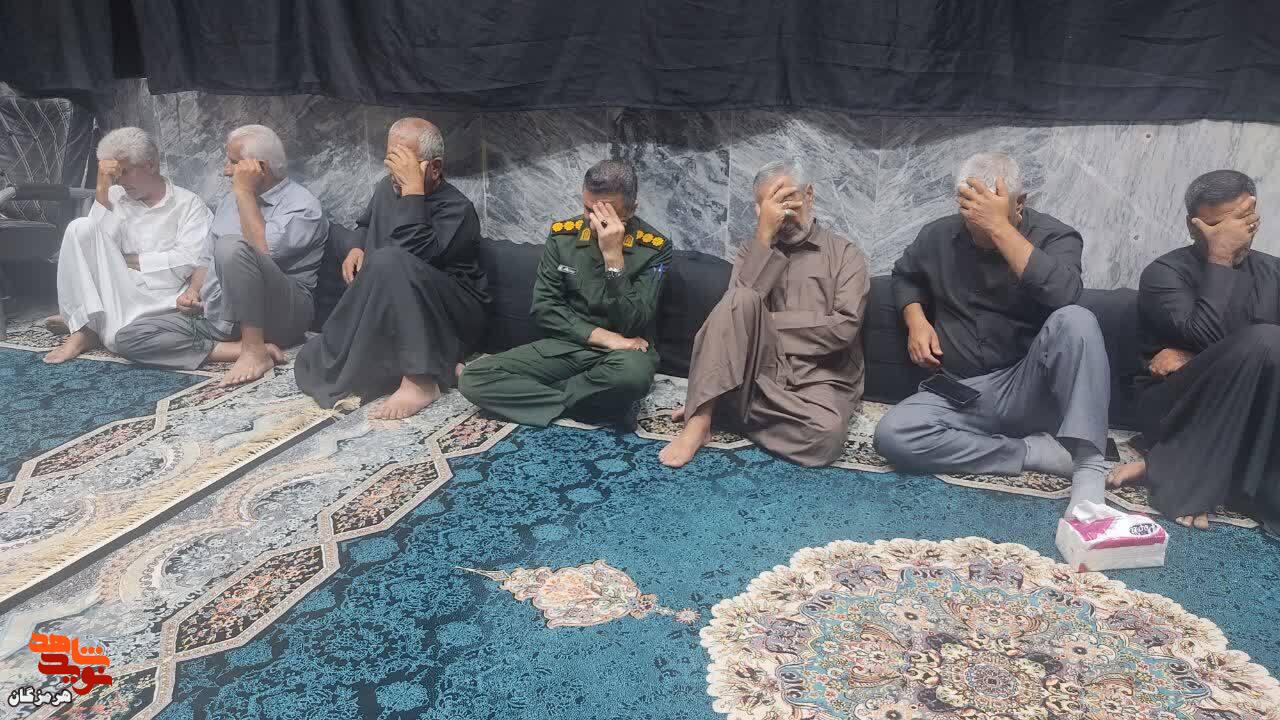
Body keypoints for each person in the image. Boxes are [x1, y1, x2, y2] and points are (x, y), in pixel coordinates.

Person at [872, 152, 1111, 516]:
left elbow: (1065, 295)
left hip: (1029, 387)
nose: (979, 232)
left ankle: (1089, 469)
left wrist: (1000, 229)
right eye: (972, 218)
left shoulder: (1055, 235)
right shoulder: (938, 235)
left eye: (988, 218)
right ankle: (1034, 452)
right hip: (961, 391)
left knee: (1077, 319)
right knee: (894, 435)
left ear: (1020, 203)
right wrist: (916, 320)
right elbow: (906, 276)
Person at [659, 158, 869, 468]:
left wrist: (764, 324)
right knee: (741, 298)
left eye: (788, 198)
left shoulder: (846, 255)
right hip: (760, 372)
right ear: (760, 210)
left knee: (824, 437)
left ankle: (725, 410)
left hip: (821, 377)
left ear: (809, 195)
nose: (784, 212)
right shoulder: (751, 251)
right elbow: (734, 313)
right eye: (772, 203)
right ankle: (700, 420)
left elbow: (842, 329)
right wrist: (764, 239)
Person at [1109, 170, 1279, 532]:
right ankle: (1180, 472)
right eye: (1216, 226)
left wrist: (1193, 358)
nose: (1228, 234)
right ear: (1192, 225)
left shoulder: (1273, 273)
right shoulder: (1164, 273)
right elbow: (1207, 334)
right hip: (1174, 403)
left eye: (1240, 222)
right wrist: (1220, 256)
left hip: (1249, 408)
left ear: (1254, 220)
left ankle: (1164, 465)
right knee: (1265, 339)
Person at [294, 118, 488, 419]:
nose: (395, 173)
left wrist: (413, 193)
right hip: (398, 311)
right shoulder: (387, 188)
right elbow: (365, 224)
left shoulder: (457, 209)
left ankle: (421, 380)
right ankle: (442, 364)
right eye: (391, 161)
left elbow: (413, 257)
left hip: (451, 313)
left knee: (390, 260)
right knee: (314, 358)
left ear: (434, 167)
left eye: (405, 164)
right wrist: (356, 247)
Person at [458, 159, 671, 426]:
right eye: (589, 209)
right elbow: (545, 308)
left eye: (607, 212)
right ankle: (591, 401)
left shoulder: (655, 248)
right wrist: (605, 338)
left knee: (632, 378)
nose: (595, 221)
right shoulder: (563, 236)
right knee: (474, 378)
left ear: (632, 208)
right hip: (568, 346)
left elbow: (634, 321)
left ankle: (543, 397)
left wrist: (614, 258)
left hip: (626, 352)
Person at [116, 125, 328, 386]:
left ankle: (254, 349)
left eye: (233, 162)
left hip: (280, 317)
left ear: (259, 167)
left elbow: (262, 251)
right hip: (222, 315)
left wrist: (244, 193)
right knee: (129, 337)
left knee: (231, 246)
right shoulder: (230, 201)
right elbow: (207, 258)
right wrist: (193, 291)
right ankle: (238, 349)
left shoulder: (302, 206)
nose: (226, 170)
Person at [43, 127, 211, 363]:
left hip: (160, 296)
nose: (119, 181)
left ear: (150, 165)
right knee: (79, 227)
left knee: (116, 340)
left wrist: (121, 260)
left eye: (124, 172)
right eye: (115, 174)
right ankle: (84, 331)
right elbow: (88, 251)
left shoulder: (189, 204)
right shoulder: (114, 196)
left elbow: (189, 261)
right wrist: (102, 190)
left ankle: (93, 322)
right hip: (116, 287)